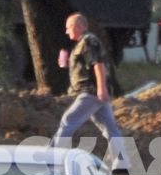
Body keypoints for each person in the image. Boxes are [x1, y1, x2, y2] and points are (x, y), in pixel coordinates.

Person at [53, 13, 127, 166]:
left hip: (91, 92)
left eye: (69, 28)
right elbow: (84, 67)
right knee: (109, 127)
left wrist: (101, 88)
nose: (67, 31)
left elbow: (97, 65)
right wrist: (67, 63)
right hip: (94, 92)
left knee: (68, 121)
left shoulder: (88, 41)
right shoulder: (82, 43)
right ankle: (122, 163)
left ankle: (52, 158)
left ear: (79, 26)